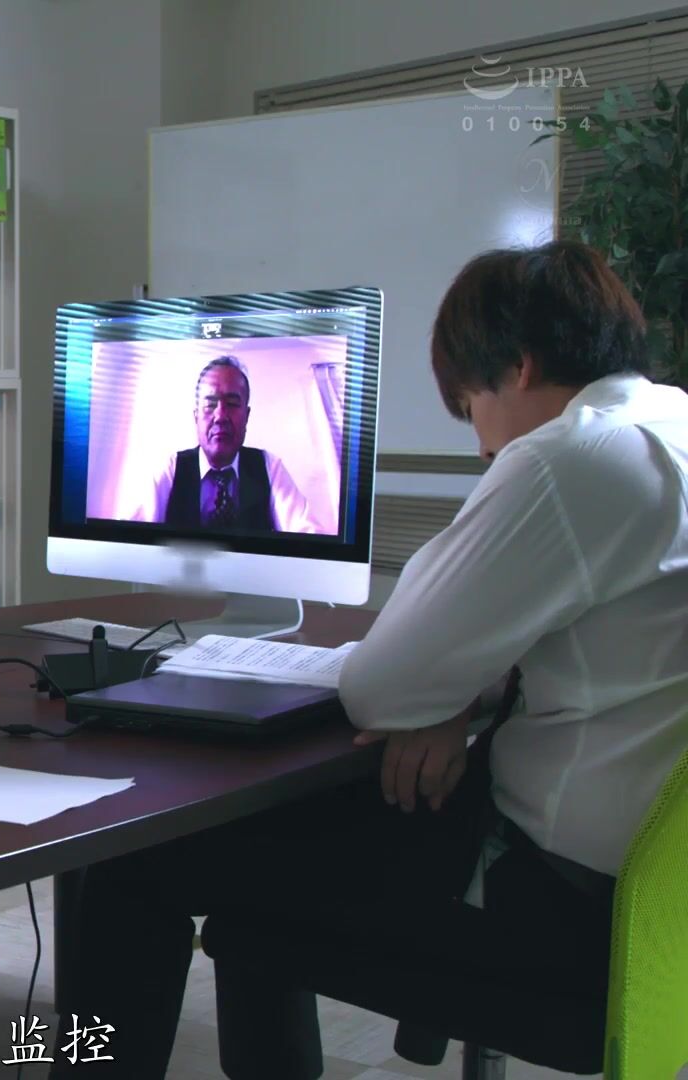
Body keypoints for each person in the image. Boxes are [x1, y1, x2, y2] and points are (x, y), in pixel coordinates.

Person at [50, 240, 688, 1078]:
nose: (482, 447)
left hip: (548, 907)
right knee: (274, 839)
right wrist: (453, 693)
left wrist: (434, 690)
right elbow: (596, 642)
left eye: (470, 407)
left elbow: (382, 686)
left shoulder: (570, 457)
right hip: (652, 901)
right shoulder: (669, 427)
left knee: (127, 852)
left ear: (519, 367)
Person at [126, 354, 319, 533]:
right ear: (196, 417)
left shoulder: (269, 467)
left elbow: (308, 535)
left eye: (232, 404)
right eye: (210, 404)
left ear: (246, 416)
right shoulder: (172, 468)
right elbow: (131, 536)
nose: (220, 416)